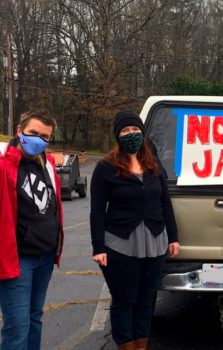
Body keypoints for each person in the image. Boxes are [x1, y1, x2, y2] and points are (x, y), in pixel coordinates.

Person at [0, 109, 65, 350]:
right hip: (14, 260)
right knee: (17, 327)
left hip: (45, 257)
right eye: (33, 133)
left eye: (45, 136)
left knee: (34, 318)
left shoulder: (47, 165)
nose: (39, 140)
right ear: (19, 131)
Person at [90, 111, 180, 350]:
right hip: (119, 243)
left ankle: (141, 347)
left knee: (145, 300)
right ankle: (125, 346)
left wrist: (173, 237)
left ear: (143, 133)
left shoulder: (153, 165)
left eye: (136, 130)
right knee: (123, 300)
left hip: (155, 242)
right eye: (126, 131)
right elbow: (97, 210)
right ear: (118, 136)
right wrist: (98, 247)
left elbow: (165, 203)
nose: (132, 134)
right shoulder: (105, 167)